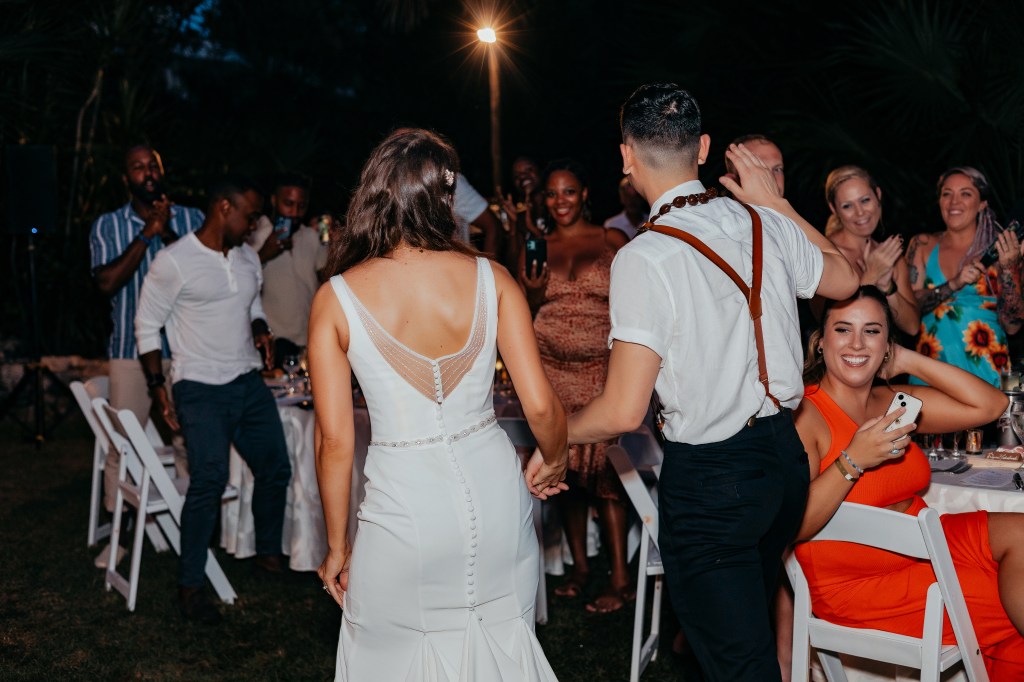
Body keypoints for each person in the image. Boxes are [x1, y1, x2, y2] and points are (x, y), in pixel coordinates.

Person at [566, 83, 859, 681]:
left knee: (740, 664)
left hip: (713, 482)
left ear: (626, 156)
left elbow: (622, 412)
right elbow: (847, 278)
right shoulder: (765, 224)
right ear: (702, 149)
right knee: (746, 644)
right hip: (783, 466)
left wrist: (555, 434)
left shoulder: (644, 257)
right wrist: (778, 204)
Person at [310, 128, 568, 680]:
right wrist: (556, 458)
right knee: (502, 647)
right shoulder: (493, 278)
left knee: (391, 659)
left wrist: (336, 546)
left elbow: (334, 442)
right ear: (446, 199)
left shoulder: (336, 298)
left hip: (403, 507)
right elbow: (543, 408)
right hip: (496, 495)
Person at [793, 286, 1024, 679]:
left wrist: (906, 358)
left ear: (887, 344)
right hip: (859, 583)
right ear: (820, 341)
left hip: (926, 545)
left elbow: (992, 405)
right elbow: (793, 522)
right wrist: (853, 460)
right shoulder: (806, 414)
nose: (857, 343)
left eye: (871, 331)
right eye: (843, 329)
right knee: (1007, 598)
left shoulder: (893, 400)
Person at [135, 175, 292, 625]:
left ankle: (267, 554)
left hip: (247, 380)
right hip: (200, 387)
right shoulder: (174, 261)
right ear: (224, 208)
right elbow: (147, 327)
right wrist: (158, 388)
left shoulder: (247, 258)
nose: (254, 225)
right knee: (209, 480)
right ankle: (190, 586)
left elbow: (251, 304)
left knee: (275, 467)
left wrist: (259, 327)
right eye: (250, 216)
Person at [520, 159, 631, 613]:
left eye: (568, 191)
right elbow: (525, 309)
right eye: (552, 193)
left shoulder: (612, 240)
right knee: (564, 471)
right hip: (551, 373)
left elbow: (636, 304)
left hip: (602, 373)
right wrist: (532, 289)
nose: (559, 201)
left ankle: (620, 576)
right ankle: (581, 568)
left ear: (584, 194)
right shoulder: (537, 246)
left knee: (606, 474)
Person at [88, 143, 203, 568]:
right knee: (122, 444)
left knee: (189, 439)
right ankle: (119, 533)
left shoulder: (192, 219)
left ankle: (193, 529)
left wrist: (167, 231)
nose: (147, 173)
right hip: (130, 353)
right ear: (126, 179)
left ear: (162, 169)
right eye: (137, 168)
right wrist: (146, 234)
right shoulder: (108, 224)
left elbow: (203, 274)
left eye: (152, 165)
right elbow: (106, 282)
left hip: (186, 349)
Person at [905, 166, 1024, 387]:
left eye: (965, 194)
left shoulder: (1001, 249)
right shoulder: (921, 244)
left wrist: (1010, 268)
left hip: (985, 373)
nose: (954, 202)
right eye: (947, 193)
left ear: (982, 203)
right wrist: (954, 283)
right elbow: (907, 312)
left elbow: (1012, 326)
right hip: (929, 374)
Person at [823, 165, 919, 336]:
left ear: (878, 195)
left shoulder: (889, 256)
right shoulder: (825, 254)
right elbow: (832, 324)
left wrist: (887, 286)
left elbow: (912, 327)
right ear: (833, 208)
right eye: (847, 206)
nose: (860, 212)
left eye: (865, 200)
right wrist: (871, 275)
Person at [246, 172, 324, 366]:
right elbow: (240, 279)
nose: (294, 212)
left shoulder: (312, 236)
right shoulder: (255, 235)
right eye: (288, 204)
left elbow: (326, 279)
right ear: (274, 200)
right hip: (274, 340)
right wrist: (264, 253)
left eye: (301, 206)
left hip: (309, 338)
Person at [603, 175, 649, 241]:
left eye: (636, 196)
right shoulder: (611, 225)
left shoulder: (652, 222)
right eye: (628, 196)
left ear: (642, 198)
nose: (632, 201)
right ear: (622, 198)